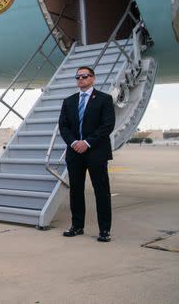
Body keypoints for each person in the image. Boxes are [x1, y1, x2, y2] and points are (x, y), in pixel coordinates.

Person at [58, 65, 115, 242]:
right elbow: (63, 126)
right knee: (76, 190)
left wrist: (87, 143)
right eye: (78, 77)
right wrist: (75, 143)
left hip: (96, 152)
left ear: (93, 78)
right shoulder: (69, 101)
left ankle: (104, 230)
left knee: (101, 191)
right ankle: (77, 226)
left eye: (84, 76)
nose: (80, 80)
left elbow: (107, 125)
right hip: (75, 153)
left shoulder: (105, 99)